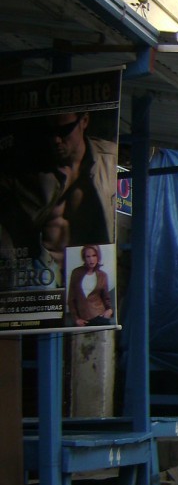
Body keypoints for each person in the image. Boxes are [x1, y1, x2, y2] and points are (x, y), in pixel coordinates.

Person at [0, 111, 117, 285]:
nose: (56, 140)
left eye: (64, 130)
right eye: (51, 132)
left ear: (84, 121)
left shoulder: (109, 161)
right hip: (43, 276)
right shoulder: (30, 170)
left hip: (90, 274)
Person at [67, 244, 113, 327]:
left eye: (94, 255)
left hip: (100, 317)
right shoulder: (76, 273)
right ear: (84, 258)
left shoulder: (102, 275)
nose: (91, 259)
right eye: (88, 256)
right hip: (82, 320)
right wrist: (76, 319)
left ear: (98, 256)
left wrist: (109, 310)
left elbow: (106, 298)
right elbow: (71, 299)